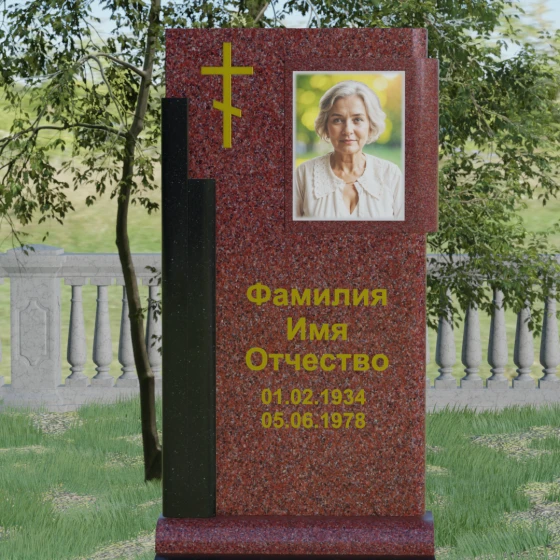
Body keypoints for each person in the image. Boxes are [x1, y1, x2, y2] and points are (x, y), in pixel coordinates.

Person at [294, 80, 404, 220]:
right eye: (338, 120)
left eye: (357, 119)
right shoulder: (304, 174)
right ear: (326, 126)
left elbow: (406, 232)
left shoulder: (391, 175)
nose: (347, 130)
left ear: (370, 125)